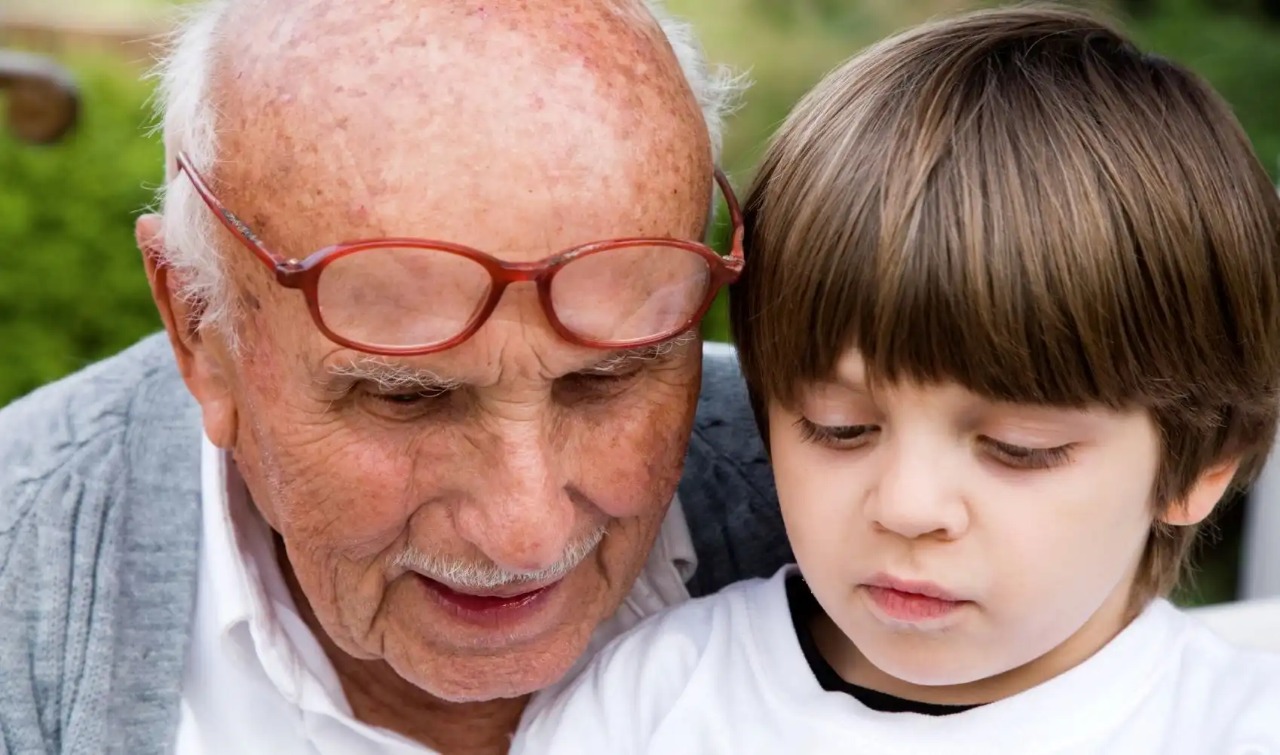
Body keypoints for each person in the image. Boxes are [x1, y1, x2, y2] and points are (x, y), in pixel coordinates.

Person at [0, 1, 791, 753]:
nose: (526, 535)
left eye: (608, 378)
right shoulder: (22, 571)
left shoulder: (859, 502)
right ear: (199, 328)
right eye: (406, 395)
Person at [511, 6, 1280, 753]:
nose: (909, 507)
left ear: (1206, 458)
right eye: (839, 427)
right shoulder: (653, 700)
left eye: (1017, 447)